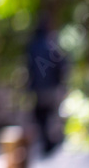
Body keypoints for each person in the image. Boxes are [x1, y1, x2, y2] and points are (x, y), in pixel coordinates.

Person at [26, 17, 65, 155]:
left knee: (41, 117)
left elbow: (29, 67)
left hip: (38, 88)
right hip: (50, 88)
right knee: (50, 116)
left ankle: (47, 143)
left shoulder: (33, 45)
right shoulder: (51, 44)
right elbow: (61, 65)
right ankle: (50, 143)